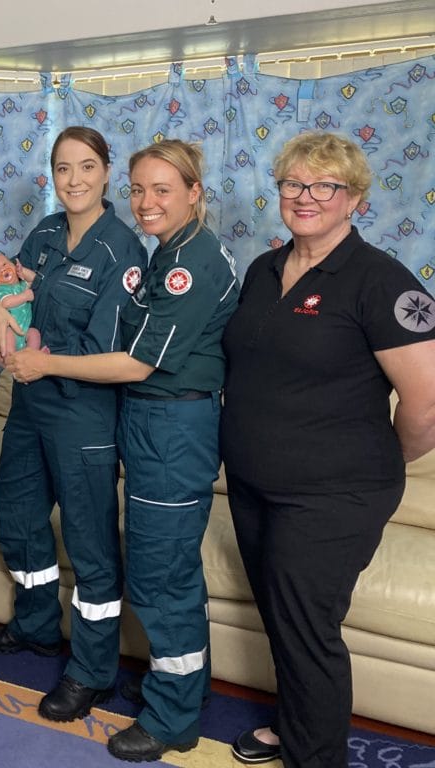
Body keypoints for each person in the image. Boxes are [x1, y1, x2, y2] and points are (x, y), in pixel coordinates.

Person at [4, 138, 238, 761]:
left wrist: (45, 361)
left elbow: (137, 362)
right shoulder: (170, 251)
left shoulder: (190, 262)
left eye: (162, 189)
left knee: (160, 577)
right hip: (148, 420)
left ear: (194, 191)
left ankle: (172, 719)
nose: (146, 201)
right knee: (165, 569)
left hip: (171, 425)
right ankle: (179, 691)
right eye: (139, 189)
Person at [220, 132, 435, 768]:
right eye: (293, 183)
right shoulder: (264, 270)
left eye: (324, 186)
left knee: (308, 627)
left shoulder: (382, 281)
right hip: (255, 484)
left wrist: (384, 459)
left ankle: (315, 758)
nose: (305, 196)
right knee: (283, 617)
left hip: (334, 493)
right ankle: (295, 725)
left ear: (355, 198)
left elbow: (426, 404)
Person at [0, 126, 146, 728]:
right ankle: (36, 625)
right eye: (63, 168)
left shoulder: (122, 252)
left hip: (83, 410)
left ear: (107, 173)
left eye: (86, 167)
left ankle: (93, 670)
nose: (74, 180)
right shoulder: (47, 233)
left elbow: (108, 350)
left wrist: (42, 362)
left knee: (89, 540)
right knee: (18, 513)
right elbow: (9, 284)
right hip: (30, 402)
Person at [0, 253, 41, 350]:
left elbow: (34, 280)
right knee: (8, 335)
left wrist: (22, 271)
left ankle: (32, 354)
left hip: (25, 331)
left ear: (13, 265)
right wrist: (25, 296)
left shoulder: (22, 285)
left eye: (4, 264)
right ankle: (10, 356)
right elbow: (6, 303)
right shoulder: (1, 290)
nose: (1, 270)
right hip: (10, 329)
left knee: (34, 333)